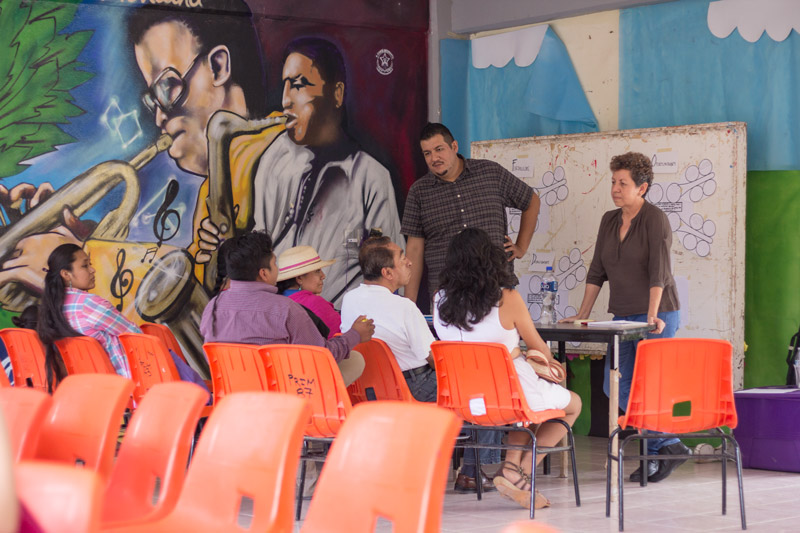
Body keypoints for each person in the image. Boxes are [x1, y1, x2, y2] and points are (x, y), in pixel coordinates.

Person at [561, 152, 688, 483]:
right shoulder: (608, 220)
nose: (616, 188)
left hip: (658, 313)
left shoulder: (655, 219)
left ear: (642, 187)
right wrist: (583, 314)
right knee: (614, 383)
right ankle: (668, 446)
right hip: (622, 315)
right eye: (613, 181)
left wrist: (650, 317)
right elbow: (596, 270)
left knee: (650, 386)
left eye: (623, 183)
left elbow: (659, 271)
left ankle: (653, 454)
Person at [434, 228, 581, 510]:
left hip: (462, 400)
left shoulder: (440, 299)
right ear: (490, 259)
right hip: (510, 395)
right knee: (571, 404)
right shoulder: (507, 298)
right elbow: (542, 349)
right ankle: (519, 469)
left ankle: (513, 468)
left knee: (527, 405)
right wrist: (520, 353)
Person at [251, 37, 403, 306]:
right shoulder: (274, 158)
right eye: (285, 86)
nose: (286, 101)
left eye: (298, 85)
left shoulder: (371, 177)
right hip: (282, 319)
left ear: (337, 94)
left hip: (341, 326)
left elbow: (389, 272)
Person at [199, 231, 372, 386]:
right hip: (282, 395)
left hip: (233, 393)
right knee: (355, 360)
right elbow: (322, 356)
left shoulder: (212, 307)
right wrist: (355, 334)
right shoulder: (285, 309)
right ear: (264, 273)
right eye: (275, 264)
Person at [402, 122, 541, 305]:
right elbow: (414, 249)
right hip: (447, 294)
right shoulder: (419, 192)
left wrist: (521, 247)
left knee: (501, 335)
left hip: (495, 287)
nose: (434, 158)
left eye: (439, 149)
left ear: (454, 146)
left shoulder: (489, 172)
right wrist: (408, 305)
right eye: (427, 153)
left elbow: (531, 201)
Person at [340, 236, 437, 403]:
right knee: (473, 385)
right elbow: (433, 358)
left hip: (367, 385)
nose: (409, 263)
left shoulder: (349, 299)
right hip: (413, 386)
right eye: (402, 258)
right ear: (387, 273)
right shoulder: (404, 307)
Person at [37, 244, 138, 389]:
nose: (92, 270)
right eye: (85, 266)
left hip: (88, 387)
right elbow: (133, 335)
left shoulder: (52, 309)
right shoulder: (90, 304)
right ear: (66, 274)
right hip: (123, 384)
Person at [276, 245, 341, 338]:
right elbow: (340, 337)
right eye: (317, 271)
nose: (323, 276)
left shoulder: (275, 301)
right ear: (299, 278)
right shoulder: (315, 303)